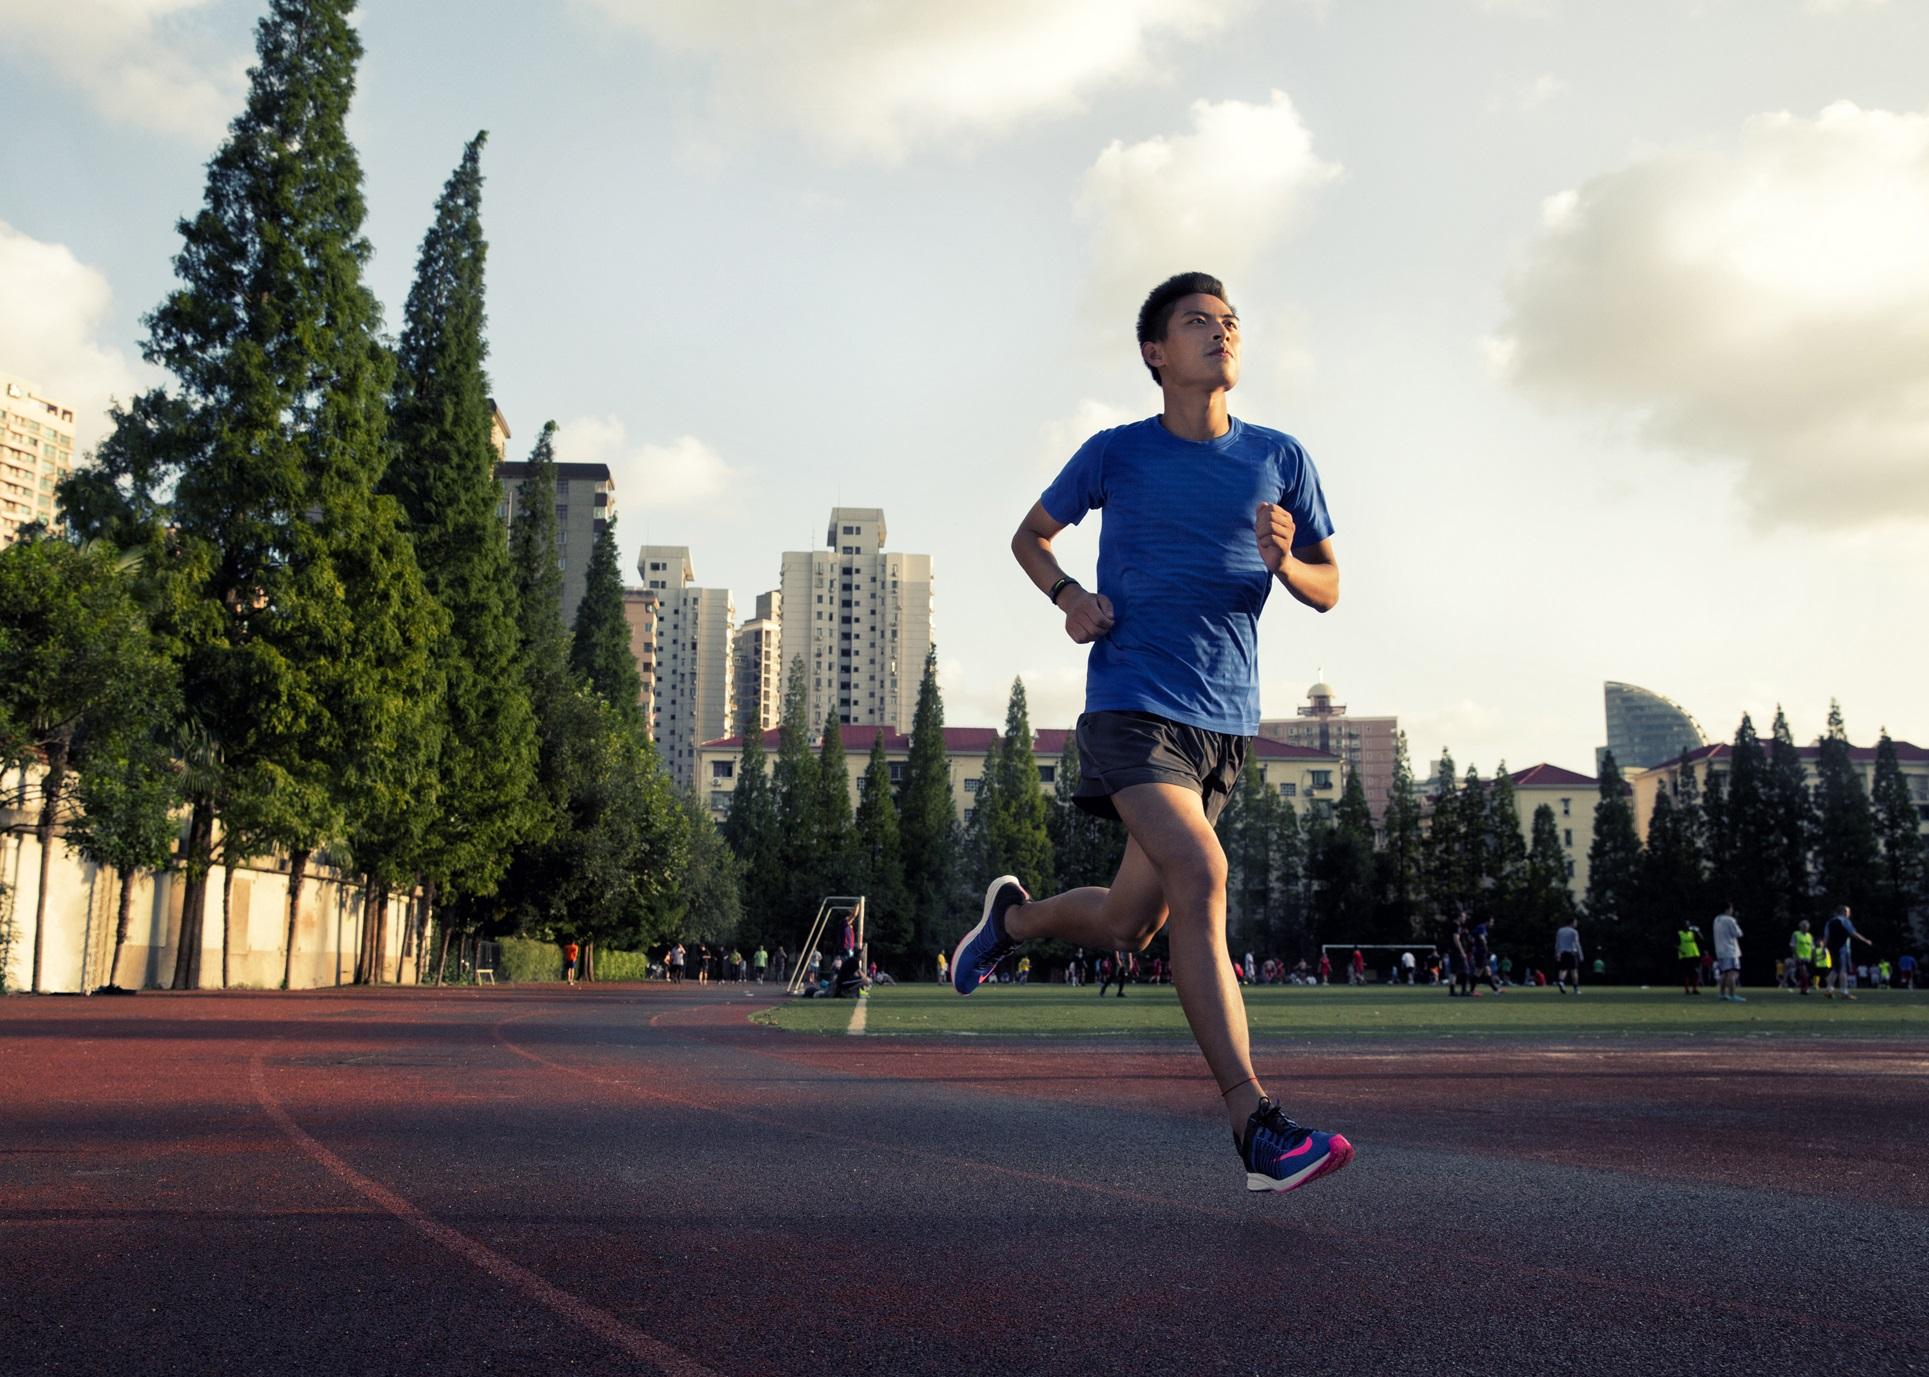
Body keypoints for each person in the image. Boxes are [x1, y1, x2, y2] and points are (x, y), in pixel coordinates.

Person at [948, 272, 1348, 1194]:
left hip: (1223, 727)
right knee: (1202, 873)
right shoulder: (1115, 453)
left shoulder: (1281, 457)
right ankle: (1254, 1122)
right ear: (1154, 353)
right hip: (1130, 704)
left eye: (1230, 322)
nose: (1221, 332)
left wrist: (1289, 566)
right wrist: (1068, 596)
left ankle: (1008, 921)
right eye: (1197, 322)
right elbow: (1029, 535)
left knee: (1133, 923)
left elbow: (1332, 585)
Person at [1821, 904, 1872, 1001]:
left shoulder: (1830, 922)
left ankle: (1829, 990)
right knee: (1843, 970)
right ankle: (1844, 992)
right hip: (1842, 949)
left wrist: (1824, 949)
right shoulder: (1844, 920)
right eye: (1848, 912)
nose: (1849, 914)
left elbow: (1826, 937)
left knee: (1835, 969)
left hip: (1832, 949)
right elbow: (1853, 933)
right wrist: (1865, 940)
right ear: (1844, 912)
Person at [1712, 905, 1744, 1002]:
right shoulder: (1730, 920)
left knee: (1724, 973)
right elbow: (1738, 933)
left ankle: (1722, 994)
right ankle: (1732, 995)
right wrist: (1736, 923)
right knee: (1732, 973)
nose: (1732, 911)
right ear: (1727, 909)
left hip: (1720, 950)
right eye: (1731, 909)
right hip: (1730, 950)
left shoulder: (1716, 919)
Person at [1554, 918, 1583, 994]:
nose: (1576, 924)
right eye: (1575, 922)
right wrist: (1581, 955)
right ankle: (1576, 989)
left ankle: (1561, 981)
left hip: (1562, 953)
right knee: (1574, 971)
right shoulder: (1574, 931)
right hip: (1572, 953)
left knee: (1563, 969)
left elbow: (1557, 943)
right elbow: (1577, 943)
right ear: (1572, 923)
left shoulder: (1560, 930)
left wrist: (1557, 953)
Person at [1789, 921, 1814, 995]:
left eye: (1807, 926)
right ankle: (1805, 989)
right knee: (1804, 973)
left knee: (1806, 974)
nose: (1806, 928)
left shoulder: (1810, 936)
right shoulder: (1796, 934)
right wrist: (1797, 956)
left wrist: (1813, 957)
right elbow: (1792, 946)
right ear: (1800, 927)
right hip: (1799, 958)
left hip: (1808, 959)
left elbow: (1812, 948)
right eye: (1804, 926)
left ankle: (1803, 989)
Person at [1677, 922, 1702, 995]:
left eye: (1688, 925)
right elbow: (1675, 944)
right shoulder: (1679, 933)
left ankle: (1695, 989)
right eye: (1686, 925)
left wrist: (1698, 931)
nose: (1687, 926)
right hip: (1684, 956)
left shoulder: (1692, 933)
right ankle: (1686, 989)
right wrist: (1681, 951)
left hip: (1694, 955)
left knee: (1695, 973)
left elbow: (1702, 939)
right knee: (1686, 974)